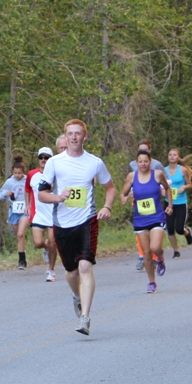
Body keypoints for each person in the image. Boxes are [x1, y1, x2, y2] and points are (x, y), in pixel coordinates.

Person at [38, 119, 116, 336]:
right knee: (71, 273)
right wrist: (58, 197)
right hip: (62, 223)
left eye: (78, 133)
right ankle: (76, 296)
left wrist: (107, 207)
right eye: (70, 133)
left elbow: (110, 188)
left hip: (87, 221)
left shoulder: (95, 163)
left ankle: (85, 317)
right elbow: (41, 195)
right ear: (65, 136)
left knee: (85, 267)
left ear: (85, 136)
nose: (74, 137)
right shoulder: (55, 162)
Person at [120, 151, 173, 293]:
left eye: (145, 161)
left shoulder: (157, 174)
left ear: (150, 162)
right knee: (147, 252)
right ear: (136, 163)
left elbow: (167, 189)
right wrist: (124, 198)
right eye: (140, 161)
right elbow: (123, 193)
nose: (143, 164)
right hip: (140, 219)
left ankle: (160, 258)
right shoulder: (132, 176)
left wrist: (170, 205)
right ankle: (152, 282)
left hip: (157, 217)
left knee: (155, 248)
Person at [127, 140, 166, 270]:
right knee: (141, 230)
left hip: (153, 202)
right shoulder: (132, 164)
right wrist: (130, 193)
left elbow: (167, 181)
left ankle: (155, 257)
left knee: (153, 233)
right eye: (140, 150)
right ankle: (142, 255)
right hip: (139, 202)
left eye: (146, 149)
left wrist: (161, 189)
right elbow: (130, 182)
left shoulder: (157, 165)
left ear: (150, 150)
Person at [27, 146, 58, 282]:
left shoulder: (56, 174)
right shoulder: (31, 175)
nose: (44, 160)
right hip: (38, 214)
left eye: (47, 157)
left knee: (53, 243)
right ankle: (45, 247)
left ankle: (51, 271)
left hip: (53, 214)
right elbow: (28, 189)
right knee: (38, 243)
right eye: (41, 157)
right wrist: (27, 205)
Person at [0, 156, 30, 270]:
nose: (17, 175)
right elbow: (0, 195)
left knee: (21, 233)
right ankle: (22, 255)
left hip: (25, 211)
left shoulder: (27, 180)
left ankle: (21, 261)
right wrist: (5, 193)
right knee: (18, 236)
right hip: (14, 211)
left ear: (23, 172)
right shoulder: (9, 182)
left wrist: (29, 205)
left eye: (19, 173)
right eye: (15, 173)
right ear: (12, 172)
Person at [164, 148, 192, 258]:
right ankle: (176, 251)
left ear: (178, 157)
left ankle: (187, 232)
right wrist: (162, 191)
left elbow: (190, 185)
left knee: (180, 229)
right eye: (170, 154)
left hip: (181, 202)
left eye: (174, 155)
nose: (172, 156)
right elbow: (161, 185)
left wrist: (184, 187)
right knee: (170, 228)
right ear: (168, 157)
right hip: (168, 202)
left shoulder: (183, 170)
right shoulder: (163, 170)